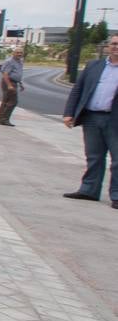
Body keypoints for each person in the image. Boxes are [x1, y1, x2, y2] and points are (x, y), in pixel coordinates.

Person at [61, 33, 118, 208]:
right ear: (108, 46)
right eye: (113, 43)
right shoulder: (94, 66)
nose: (116, 47)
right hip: (92, 117)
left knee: (117, 160)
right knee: (93, 156)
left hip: (114, 120)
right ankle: (89, 190)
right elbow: (78, 90)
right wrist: (69, 112)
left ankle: (116, 194)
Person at [0, 47, 24, 126]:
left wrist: (20, 83)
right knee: (13, 101)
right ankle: (4, 119)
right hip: (8, 82)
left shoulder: (20, 62)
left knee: (6, 101)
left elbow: (18, 73)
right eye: (17, 52)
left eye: (21, 52)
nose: (19, 54)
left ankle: (1, 119)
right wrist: (9, 85)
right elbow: (5, 74)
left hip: (14, 82)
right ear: (13, 53)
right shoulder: (10, 61)